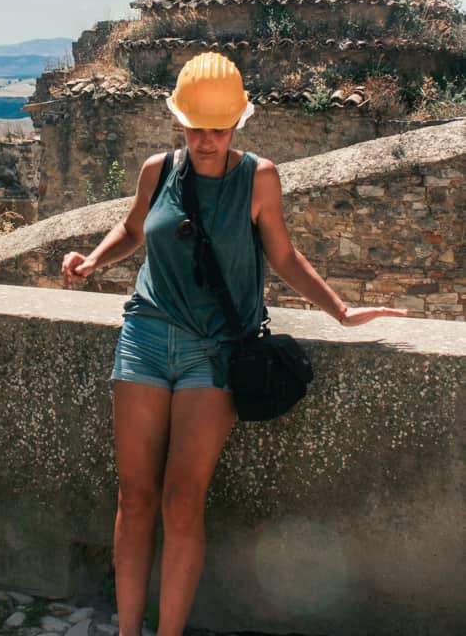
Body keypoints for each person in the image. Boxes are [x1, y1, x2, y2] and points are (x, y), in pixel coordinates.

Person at [62, 52, 407, 636]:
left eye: (217, 129)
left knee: (181, 499)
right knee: (136, 496)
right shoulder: (159, 169)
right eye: (196, 128)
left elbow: (284, 256)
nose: (205, 141)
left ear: (237, 125)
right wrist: (91, 260)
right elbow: (132, 227)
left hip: (216, 352)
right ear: (180, 122)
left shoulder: (260, 178)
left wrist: (341, 311)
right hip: (145, 337)